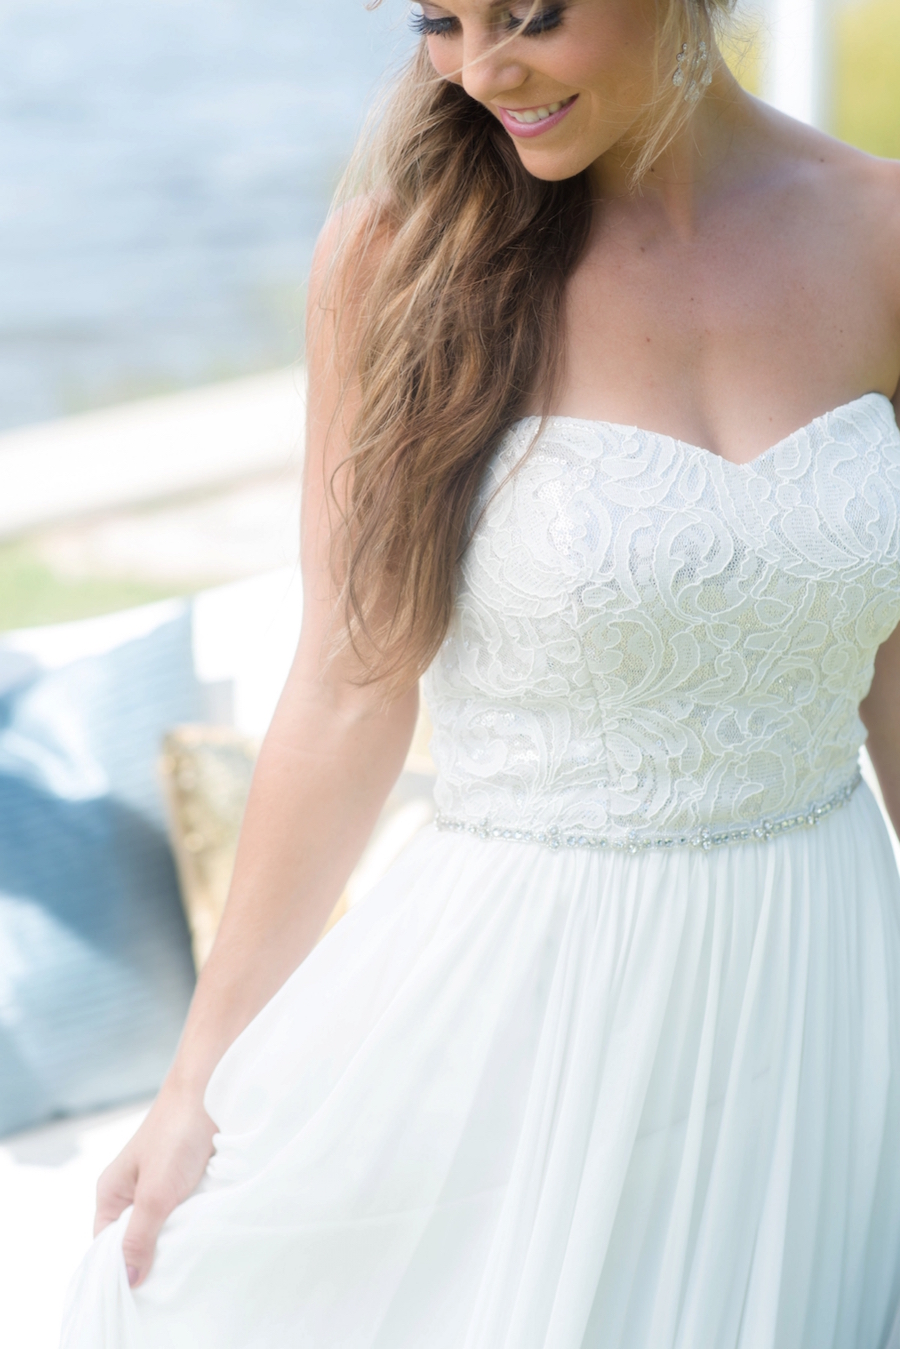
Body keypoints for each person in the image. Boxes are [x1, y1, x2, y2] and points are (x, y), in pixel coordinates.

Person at [62, 1, 900, 1345]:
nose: (483, 69)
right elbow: (346, 688)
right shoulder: (403, 260)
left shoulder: (881, 232)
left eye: (533, 17)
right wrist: (193, 1081)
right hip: (537, 1006)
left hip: (822, 987)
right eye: (443, 22)